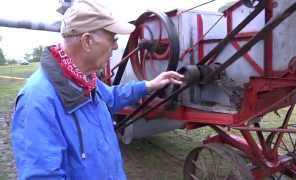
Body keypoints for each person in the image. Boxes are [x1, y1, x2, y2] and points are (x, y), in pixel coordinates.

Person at [11, 0, 183, 179]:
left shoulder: (86, 80)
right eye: (112, 38)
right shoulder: (37, 102)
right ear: (87, 41)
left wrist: (149, 85)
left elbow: (112, 97)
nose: (116, 46)